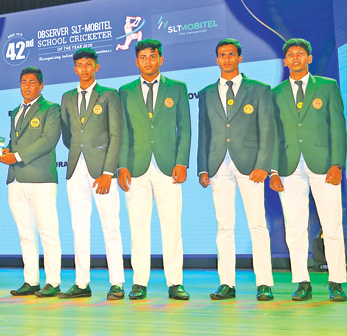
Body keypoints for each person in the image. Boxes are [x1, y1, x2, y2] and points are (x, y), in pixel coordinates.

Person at [269, 38, 346, 301]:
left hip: (324, 165)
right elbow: (271, 134)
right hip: (288, 167)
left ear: (309, 58)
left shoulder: (327, 86)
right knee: (295, 227)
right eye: (290, 54)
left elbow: (338, 126)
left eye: (300, 53)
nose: (295, 58)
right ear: (285, 61)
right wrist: (273, 171)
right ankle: (302, 281)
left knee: (332, 225)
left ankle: (336, 281)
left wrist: (338, 164)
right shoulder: (275, 92)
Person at [197, 39, 275, 301]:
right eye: (222, 55)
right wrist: (202, 168)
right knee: (224, 226)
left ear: (239, 58)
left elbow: (268, 130)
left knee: (257, 224)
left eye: (231, 54)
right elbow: (204, 133)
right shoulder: (206, 92)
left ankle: (264, 283)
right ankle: (226, 283)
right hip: (219, 165)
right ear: (217, 59)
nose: (227, 59)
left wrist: (263, 165)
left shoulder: (260, 90)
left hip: (251, 165)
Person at [118, 39, 191, 300]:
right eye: (143, 57)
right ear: (137, 61)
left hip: (168, 166)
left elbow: (185, 128)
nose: (148, 61)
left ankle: (175, 282)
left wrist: (181, 162)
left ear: (160, 59)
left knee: (172, 225)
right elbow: (121, 132)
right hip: (135, 166)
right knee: (138, 226)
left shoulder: (178, 88)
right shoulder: (124, 91)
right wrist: (122, 166)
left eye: (153, 56)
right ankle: (139, 282)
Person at [58, 49, 126, 300]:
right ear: (75, 69)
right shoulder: (66, 97)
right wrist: (80, 151)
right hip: (76, 166)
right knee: (79, 226)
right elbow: (67, 135)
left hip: (103, 170)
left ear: (96, 67)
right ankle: (82, 283)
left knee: (111, 225)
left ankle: (117, 282)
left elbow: (116, 135)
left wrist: (109, 171)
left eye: (88, 64)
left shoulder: (109, 94)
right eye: (79, 65)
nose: (84, 69)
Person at [0, 67, 62, 298]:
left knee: (47, 231)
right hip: (16, 178)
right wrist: (6, 150)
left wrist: (16, 155)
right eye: (23, 82)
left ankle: (53, 282)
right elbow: (14, 142)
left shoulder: (51, 109)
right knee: (25, 233)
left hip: (40, 178)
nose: (27, 86)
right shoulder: (17, 110)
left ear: (41, 85)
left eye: (32, 82)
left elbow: (48, 141)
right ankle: (31, 280)